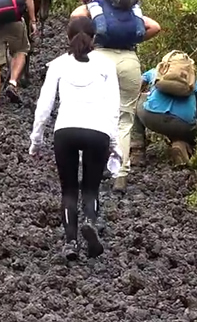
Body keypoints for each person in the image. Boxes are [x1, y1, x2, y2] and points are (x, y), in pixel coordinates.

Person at [28, 15, 122, 260]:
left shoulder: (58, 64)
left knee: (69, 190)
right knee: (91, 188)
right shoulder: (106, 66)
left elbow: (45, 105)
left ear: (68, 37)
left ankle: (70, 243)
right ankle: (90, 221)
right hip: (97, 131)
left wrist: (36, 140)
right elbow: (114, 106)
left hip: (65, 131)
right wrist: (113, 143)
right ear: (94, 38)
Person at [70, 0, 160, 193]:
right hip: (130, 61)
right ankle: (120, 174)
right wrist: (135, 37)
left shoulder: (97, 7)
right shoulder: (134, 13)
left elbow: (75, 16)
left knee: (94, 115)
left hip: (100, 58)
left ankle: (93, 166)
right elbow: (155, 27)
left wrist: (92, 5)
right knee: (124, 120)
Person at [137, 51, 197, 167]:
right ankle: (180, 143)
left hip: (152, 117)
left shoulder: (156, 72)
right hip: (183, 125)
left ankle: (136, 150)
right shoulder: (194, 81)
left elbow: (137, 85)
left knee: (135, 101)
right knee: (183, 126)